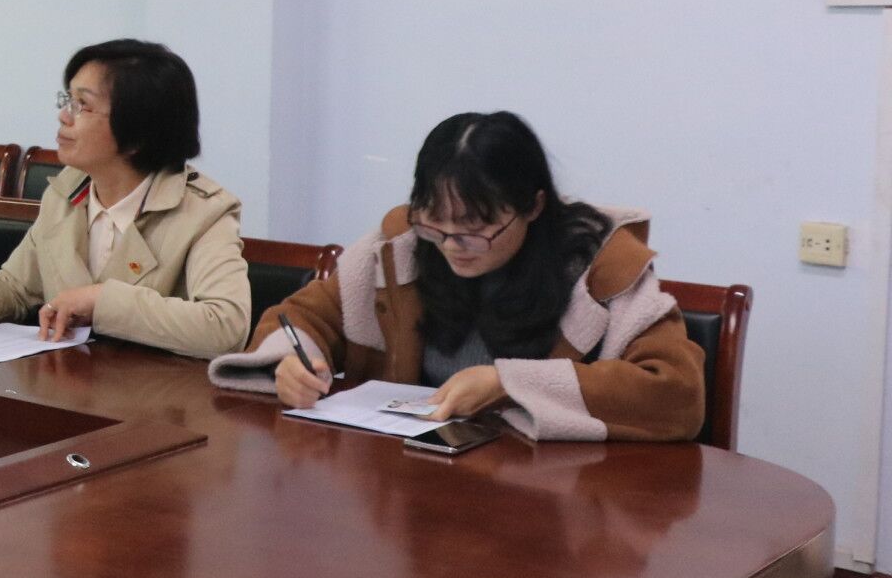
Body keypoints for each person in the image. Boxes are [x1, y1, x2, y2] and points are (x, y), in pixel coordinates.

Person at [209, 112, 705, 440]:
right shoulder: (403, 247)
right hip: (420, 486)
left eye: (474, 230)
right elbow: (303, 317)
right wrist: (293, 364)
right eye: (435, 224)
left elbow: (676, 393)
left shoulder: (600, 268)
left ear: (533, 206)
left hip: (557, 502)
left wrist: (509, 383)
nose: (450, 247)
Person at [0, 40, 249, 356]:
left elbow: (225, 326)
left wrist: (103, 301)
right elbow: (17, 286)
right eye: (67, 100)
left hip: (156, 393)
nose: (64, 115)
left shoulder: (203, 212)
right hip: (67, 382)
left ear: (138, 134)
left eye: (83, 105)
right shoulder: (66, 191)